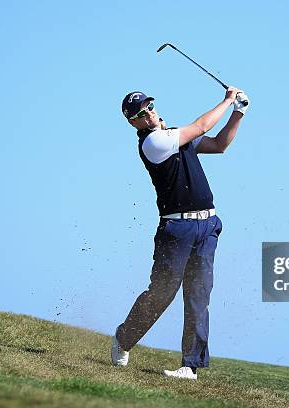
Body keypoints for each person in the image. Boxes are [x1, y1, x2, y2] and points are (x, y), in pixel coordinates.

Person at [111, 87, 250, 380]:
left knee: (199, 296)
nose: (147, 114)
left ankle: (191, 366)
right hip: (177, 229)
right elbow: (201, 126)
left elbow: (219, 144)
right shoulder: (153, 143)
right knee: (162, 293)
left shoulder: (175, 135)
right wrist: (227, 100)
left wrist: (238, 112)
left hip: (207, 226)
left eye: (148, 106)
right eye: (139, 114)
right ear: (133, 123)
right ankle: (124, 339)